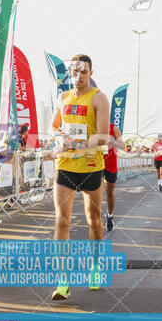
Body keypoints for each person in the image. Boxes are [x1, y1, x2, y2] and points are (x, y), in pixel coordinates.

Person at [50, 54, 109, 301]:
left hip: (91, 167)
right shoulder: (63, 97)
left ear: (90, 73)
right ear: (70, 74)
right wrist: (59, 138)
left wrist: (74, 142)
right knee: (62, 221)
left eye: (83, 71)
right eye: (75, 71)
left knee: (93, 219)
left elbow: (104, 137)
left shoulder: (99, 98)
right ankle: (62, 280)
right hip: (65, 166)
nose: (79, 76)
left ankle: (95, 268)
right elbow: (53, 127)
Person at [103, 122, 125, 232]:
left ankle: (110, 215)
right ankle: (95, 218)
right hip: (94, 163)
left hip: (110, 165)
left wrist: (112, 141)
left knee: (109, 192)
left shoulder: (114, 128)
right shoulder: (91, 125)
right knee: (93, 193)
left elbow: (122, 145)